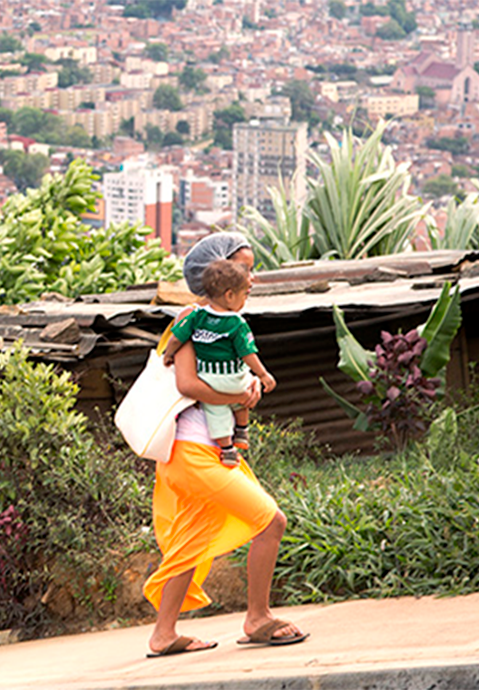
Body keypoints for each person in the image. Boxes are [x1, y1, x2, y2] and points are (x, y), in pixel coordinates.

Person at [142, 233, 308, 658]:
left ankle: (163, 634)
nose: (252, 279)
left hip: (207, 451)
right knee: (271, 522)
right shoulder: (192, 319)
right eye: (245, 269)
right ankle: (257, 618)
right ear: (219, 275)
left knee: (192, 541)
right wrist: (238, 396)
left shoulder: (226, 322)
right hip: (192, 453)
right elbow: (188, 384)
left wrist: (247, 387)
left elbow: (223, 377)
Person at [161, 259, 276, 467]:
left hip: (209, 379)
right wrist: (262, 374)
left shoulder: (195, 316)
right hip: (234, 380)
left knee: (216, 411)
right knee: (242, 390)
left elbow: (176, 338)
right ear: (230, 295)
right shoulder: (236, 322)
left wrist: (168, 355)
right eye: (244, 295)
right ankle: (242, 430)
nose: (245, 301)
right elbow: (247, 352)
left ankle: (227, 449)